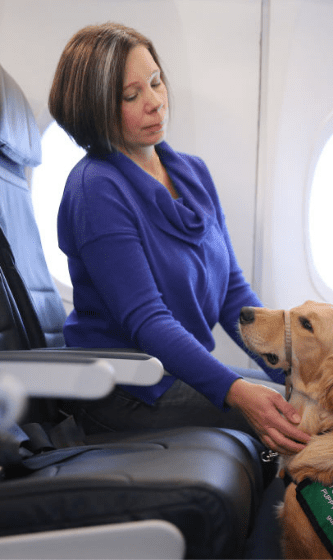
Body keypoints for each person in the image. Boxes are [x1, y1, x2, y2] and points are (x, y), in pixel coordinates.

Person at [48, 22, 309, 456]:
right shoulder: (96, 189)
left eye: (156, 82)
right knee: (306, 420)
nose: (154, 103)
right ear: (95, 108)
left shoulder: (192, 172)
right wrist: (239, 392)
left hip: (176, 373)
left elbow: (232, 293)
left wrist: (290, 363)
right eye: (131, 96)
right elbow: (147, 322)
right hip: (128, 388)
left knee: (315, 398)